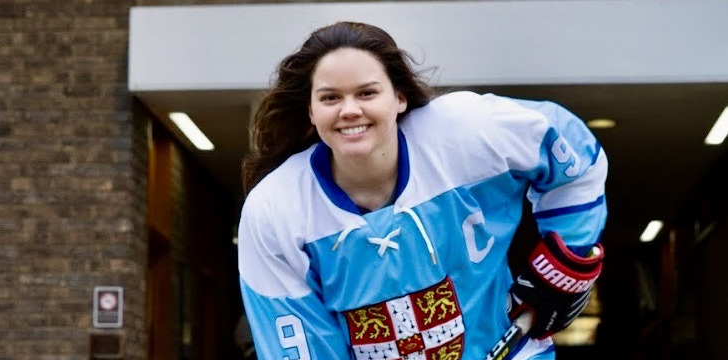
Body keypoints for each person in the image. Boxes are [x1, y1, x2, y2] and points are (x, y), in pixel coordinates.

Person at [237, 21, 606, 360]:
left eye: (367, 92)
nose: (349, 110)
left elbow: (573, 152)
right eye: (330, 98)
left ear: (399, 98)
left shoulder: (467, 132)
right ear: (310, 111)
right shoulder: (274, 210)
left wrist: (564, 261)